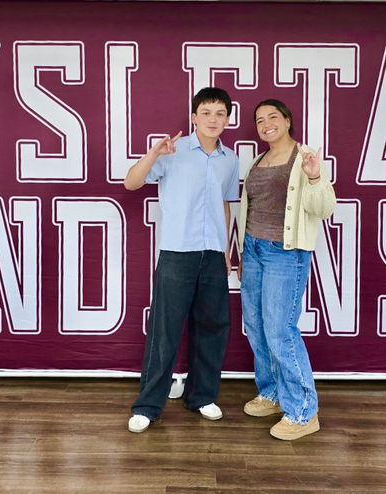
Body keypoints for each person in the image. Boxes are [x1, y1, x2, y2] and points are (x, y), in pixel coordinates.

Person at [123, 87, 240, 433]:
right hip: (177, 252)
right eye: (206, 112)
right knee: (165, 331)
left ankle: (201, 397)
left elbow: (225, 204)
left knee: (213, 328)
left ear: (228, 119)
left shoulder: (229, 159)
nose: (213, 119)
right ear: (194, 117)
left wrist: (226, 249)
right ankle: (148, 406)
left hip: (213, 254)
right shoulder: (171, 151)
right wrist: (153, 153)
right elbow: (131, 183)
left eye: (220, 113)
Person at [236, 99, 335, 440]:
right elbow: (251, 210)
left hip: (285, 254)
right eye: (259, 119)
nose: (266, 123)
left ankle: (304, 411)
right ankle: (273, 393)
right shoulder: (258, 160)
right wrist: (242, 253)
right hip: (253, 250)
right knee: (257, 326)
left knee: (280, 330)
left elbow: (323, 208)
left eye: (273, 117)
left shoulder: (305, 157)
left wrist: (315, 176)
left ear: (288, 120)